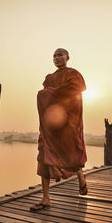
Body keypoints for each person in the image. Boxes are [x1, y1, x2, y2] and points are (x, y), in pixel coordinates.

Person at [31, 48, 88, 211]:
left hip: (67, 125)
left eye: (60, 55)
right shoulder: (49, 78)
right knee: (43, 158)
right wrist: (45, 94)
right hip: (50, 127)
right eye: (54, 56)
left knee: (71, 157)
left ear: (67, 57)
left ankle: (81, 178)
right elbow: (48, 98)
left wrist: (47, 94)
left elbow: (73, 94)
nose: (57, 58)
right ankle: (46, 198)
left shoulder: (74, 74)